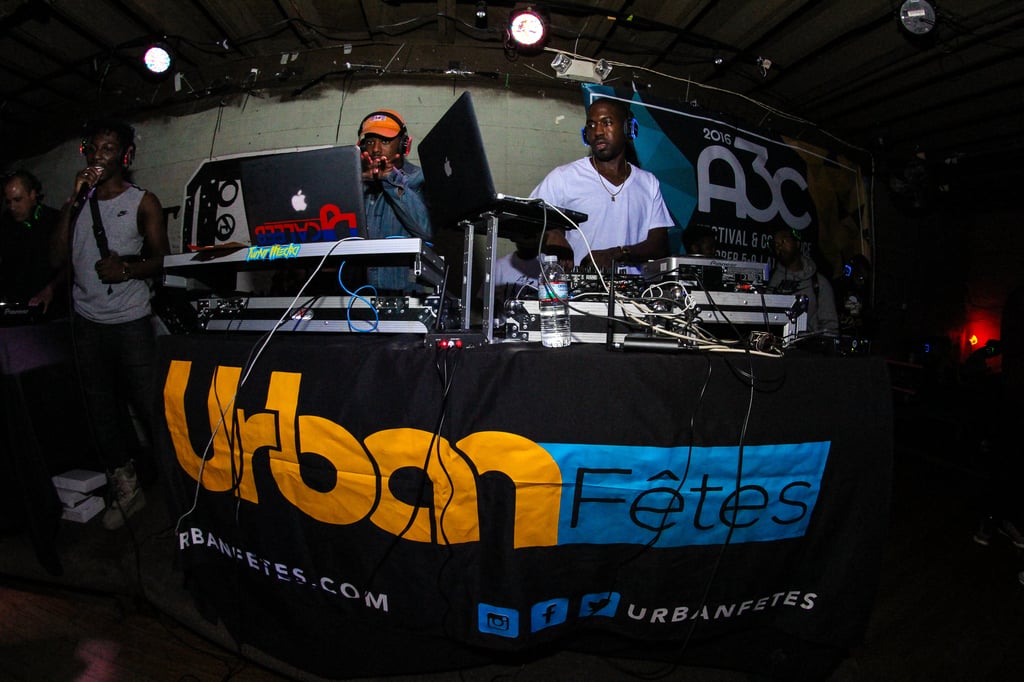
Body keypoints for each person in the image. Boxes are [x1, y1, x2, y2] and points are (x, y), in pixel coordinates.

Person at [52, 119, 169, 531]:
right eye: (93, 148)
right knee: (101, 413)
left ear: (126, 156)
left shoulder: (143, 201)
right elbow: (56, 259)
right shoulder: (77, 204)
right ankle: (128, 490)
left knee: (151, 409)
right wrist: (72, 201)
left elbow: (163, 259)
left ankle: (179, 491)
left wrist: (128, 269)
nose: (98, 156)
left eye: (108, 148)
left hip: (131, 322)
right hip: (87, 324)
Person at [529, 97, 672, 274]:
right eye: (591, 125)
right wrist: (551, 234)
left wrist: (617, 254)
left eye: (607, 123)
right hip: (578, 290)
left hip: (633, 290)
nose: (597, 132)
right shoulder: (563, 177)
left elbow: (659, 245)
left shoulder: (648, 183)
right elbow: (525, 227)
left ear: (628, 129)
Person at [358, 108, 433, 292]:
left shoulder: (420, 178)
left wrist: (390, 179)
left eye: (385, 141)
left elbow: (426, 230)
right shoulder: (355, 181)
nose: (376, 149)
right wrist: (355, 182)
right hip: (356, 297)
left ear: (404, 144)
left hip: (404, 295)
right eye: (370, 142)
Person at [1, 170, 63, 313]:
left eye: (17, 200)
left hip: (51, 308)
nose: (12, 207)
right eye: (8, 202)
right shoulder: (6, 223)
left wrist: (50, 288)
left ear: (33, 195)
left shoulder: (55, 221)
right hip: (15, 306)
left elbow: (69, 264)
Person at [767, 227, 839, 336]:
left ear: (797, 243)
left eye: (783, 241)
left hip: (811, 345)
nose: (780, 247)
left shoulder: (819, 283)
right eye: (776, 245)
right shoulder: (773, 283)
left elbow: (830, 326)